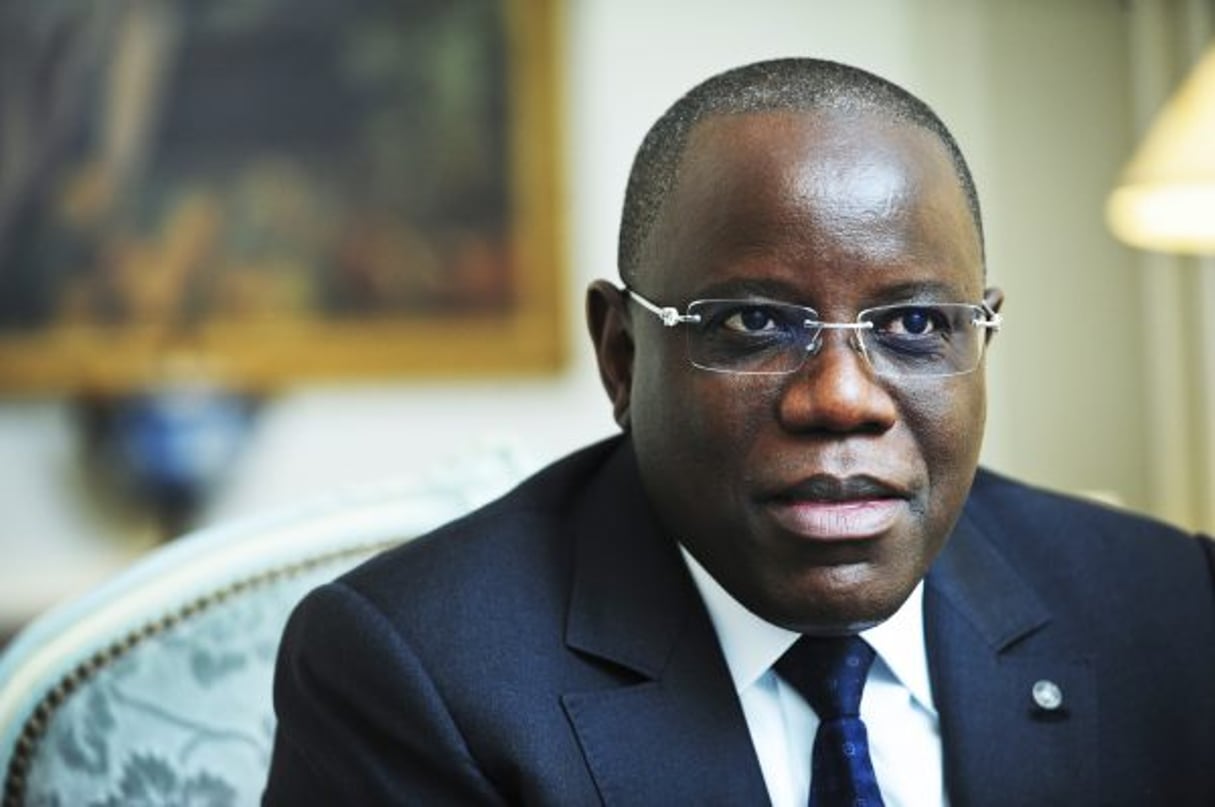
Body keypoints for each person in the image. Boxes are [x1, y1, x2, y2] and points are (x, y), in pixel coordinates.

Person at [263, 58, 1215, 806]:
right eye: (756, 322)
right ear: (622, 355)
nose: (842, 399)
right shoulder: (414, 671)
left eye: (916, 325)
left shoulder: (1170, 611)